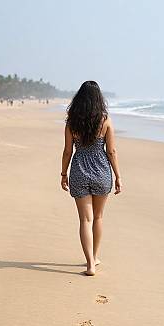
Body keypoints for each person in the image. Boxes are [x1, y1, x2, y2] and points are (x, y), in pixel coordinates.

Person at [60, 81, 122, 276]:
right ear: (99, 99)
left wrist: (63, 174)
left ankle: (90, 265)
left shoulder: (72, 122)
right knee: (98, 217)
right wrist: (118, 176)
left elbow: (67, 151)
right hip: (102, 172)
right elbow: (111, 151)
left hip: (78, 171)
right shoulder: (105, 121)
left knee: (85, 220)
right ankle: (95, 257)